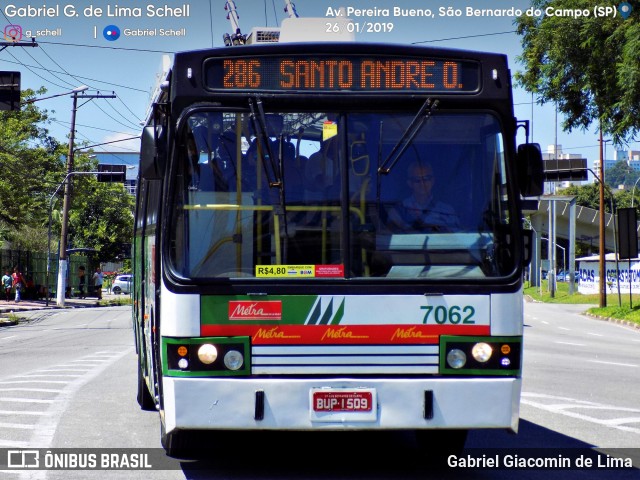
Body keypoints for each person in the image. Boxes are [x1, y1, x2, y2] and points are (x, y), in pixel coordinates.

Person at [387, 160, 460, 233]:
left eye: (426, 178)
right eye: (417, 180)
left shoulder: (446, 211)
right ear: (410, 183)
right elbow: (389, 238)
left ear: (432, 181)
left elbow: (457, 239)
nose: (422, 183)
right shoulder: (398, 211)